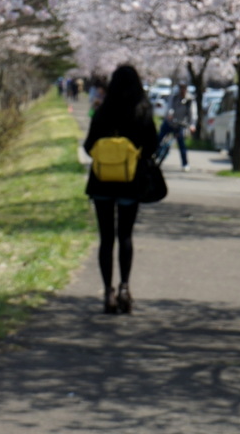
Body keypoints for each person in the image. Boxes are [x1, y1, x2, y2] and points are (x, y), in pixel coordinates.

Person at [84, 64, 158, 314]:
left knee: (106, 238)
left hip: (102, 181)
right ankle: (125, 287)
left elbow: (88, 146)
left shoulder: (103, 111)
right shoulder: (142, 111)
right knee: (125, 236)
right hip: (130, 181)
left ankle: (108, 292)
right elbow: (152, 146)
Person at [157, 82, 196, 170]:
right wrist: (170, 114)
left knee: (181, 144)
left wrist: (192, 125)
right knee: (159, 137)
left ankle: (185, 164)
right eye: (180, 88)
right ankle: (153, 154)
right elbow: (169, 107)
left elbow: (192, 114)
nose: (182, 90)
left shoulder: (189, 100)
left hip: (180, 124)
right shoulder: (174, 97)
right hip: (170, 122)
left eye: (184, 88)